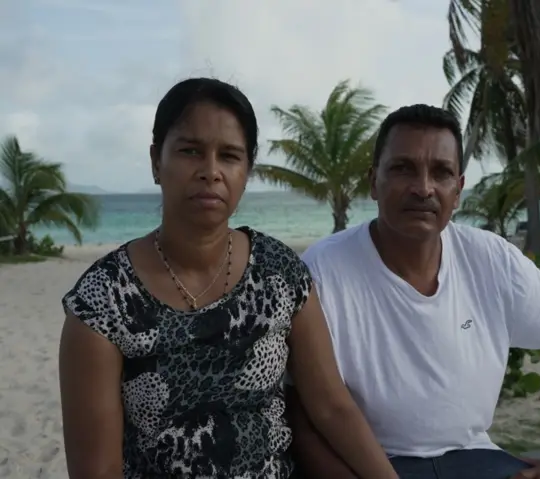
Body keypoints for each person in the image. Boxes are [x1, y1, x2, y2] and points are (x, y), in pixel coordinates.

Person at [58, 77, 399, 479]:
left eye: (230, 156)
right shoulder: (103, 303)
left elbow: (331, 406)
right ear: (156, 161)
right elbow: (97, 471)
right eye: (190, 151)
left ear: (247, 170)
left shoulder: (280, 274)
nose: (211, 171)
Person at [288, 104, 540, 479]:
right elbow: (303, 412)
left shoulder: (491, 259)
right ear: (373, 181)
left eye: (441, 173)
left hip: (473, 456)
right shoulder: (323, 269)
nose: (423, 188)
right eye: (402, 168)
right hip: (369, 465)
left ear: (457, 191)